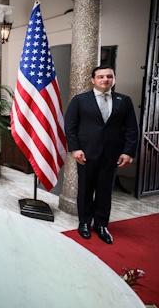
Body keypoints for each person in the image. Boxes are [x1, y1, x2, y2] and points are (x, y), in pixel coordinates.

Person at [65, 65, 138, 244]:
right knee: (85, 190)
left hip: (112, 155)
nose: (105, 79)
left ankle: (101, 225)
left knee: (105, 191)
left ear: (114, 79)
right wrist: (75, 149)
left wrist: (128, 152)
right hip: (86, 154)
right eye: (101, 77)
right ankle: (84, 223)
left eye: (109, 76)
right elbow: (70, 126)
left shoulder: (124, 101)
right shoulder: (80, 100)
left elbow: (131, 129)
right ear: (93, 80)